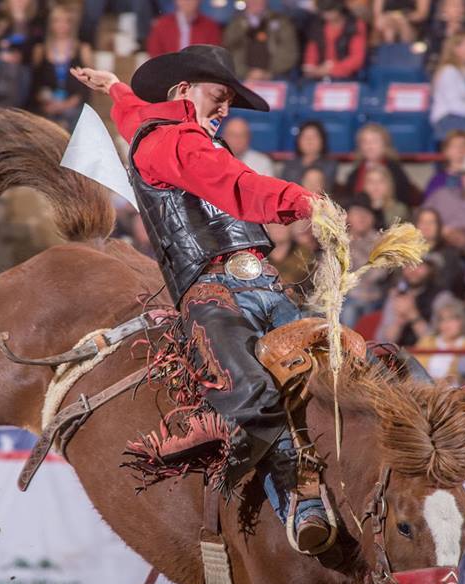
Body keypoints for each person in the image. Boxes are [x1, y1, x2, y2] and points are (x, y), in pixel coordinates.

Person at [72, 45, 331, 551]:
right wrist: (299, 201)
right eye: (219, 96)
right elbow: (230, 184)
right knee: (253, 390)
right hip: (217, 293)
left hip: (253, 283)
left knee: (335, 364)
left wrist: (116, 88)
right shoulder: (174, 144)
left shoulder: (164, 135)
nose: (225, 110)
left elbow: (134, 116)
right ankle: (303, 502)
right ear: (182, 92)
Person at [31, 4, 92, 131]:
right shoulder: (40, 50)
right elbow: (35, 83)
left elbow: (87, 86)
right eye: (57, 21)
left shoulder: (82, 49)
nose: (61, 25)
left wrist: (65, 105)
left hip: (73, 106)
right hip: (47, 105)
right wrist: (47, 102)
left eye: (66, 21)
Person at [342, 123, 421, 209]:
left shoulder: (396, 172)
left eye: (374, 141)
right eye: (365, 142)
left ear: (385, 144)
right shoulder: (354, 175)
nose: (370, 146)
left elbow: (404, 201)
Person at [374, 256, 450, 345]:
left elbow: (437, 342)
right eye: (408, 265)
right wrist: (399, 321)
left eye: (419, 265)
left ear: (431, 269)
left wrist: (413, 316)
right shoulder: (396, 295)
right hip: (400, 355)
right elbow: (382, 342)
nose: (413, 270)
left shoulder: (442, 297)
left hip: (429, 356)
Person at [341, 195, 389, 327]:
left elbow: (379, 274)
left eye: (366, 213)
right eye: (356, 213)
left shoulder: (381, 241)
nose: (362, 217)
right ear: (347, 217)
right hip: (344, 299)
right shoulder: (338, 240)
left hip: (374, 298)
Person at [222, 0, 299, 80]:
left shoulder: (282, 23)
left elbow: (289, 51)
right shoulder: (235, 25)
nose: (256, 2)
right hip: (242, 78)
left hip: (276, 77)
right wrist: (246, 73)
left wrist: (268, 73)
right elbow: (228, 50)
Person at [413, 297, 465, 383]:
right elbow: (414, 371)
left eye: (452, 319)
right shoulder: (427, 341)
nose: (447, 324)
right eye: (443, 320)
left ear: (462, 321)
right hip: (426, 390)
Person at [302, 0, 368, 80]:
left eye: (330, 10)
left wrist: (332, 69)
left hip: (347, 77)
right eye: (324, 11)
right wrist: (311, 68)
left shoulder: (354, 26)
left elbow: (357, 58)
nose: (327, 15)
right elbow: (312, 51)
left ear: (339, 8)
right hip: (319, 76)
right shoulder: (317, 25)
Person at [414, 207, 465, 297]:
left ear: (439, 226)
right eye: (423, 222)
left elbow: (449, 283)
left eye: (431, 222)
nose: (427, 226)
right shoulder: (407, 251)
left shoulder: (450, 254)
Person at [146, 0, 222, 58]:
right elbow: (154, 55)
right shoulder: (161, 25)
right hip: (167, 74)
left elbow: (212, 57)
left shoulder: (210, 26)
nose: (187, 1)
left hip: (199, 75)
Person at [280, 122, 339, 187]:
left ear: (322, 140)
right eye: (305, 137)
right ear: (298, 141)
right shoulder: (290, 165)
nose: (309, 141)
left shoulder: (330, 165)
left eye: (314, 137)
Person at [423, 129, 465, 198]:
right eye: (455, 146)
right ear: (446, 151)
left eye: (464, 145)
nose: (460, 150)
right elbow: (428, 204)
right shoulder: (437, 180)